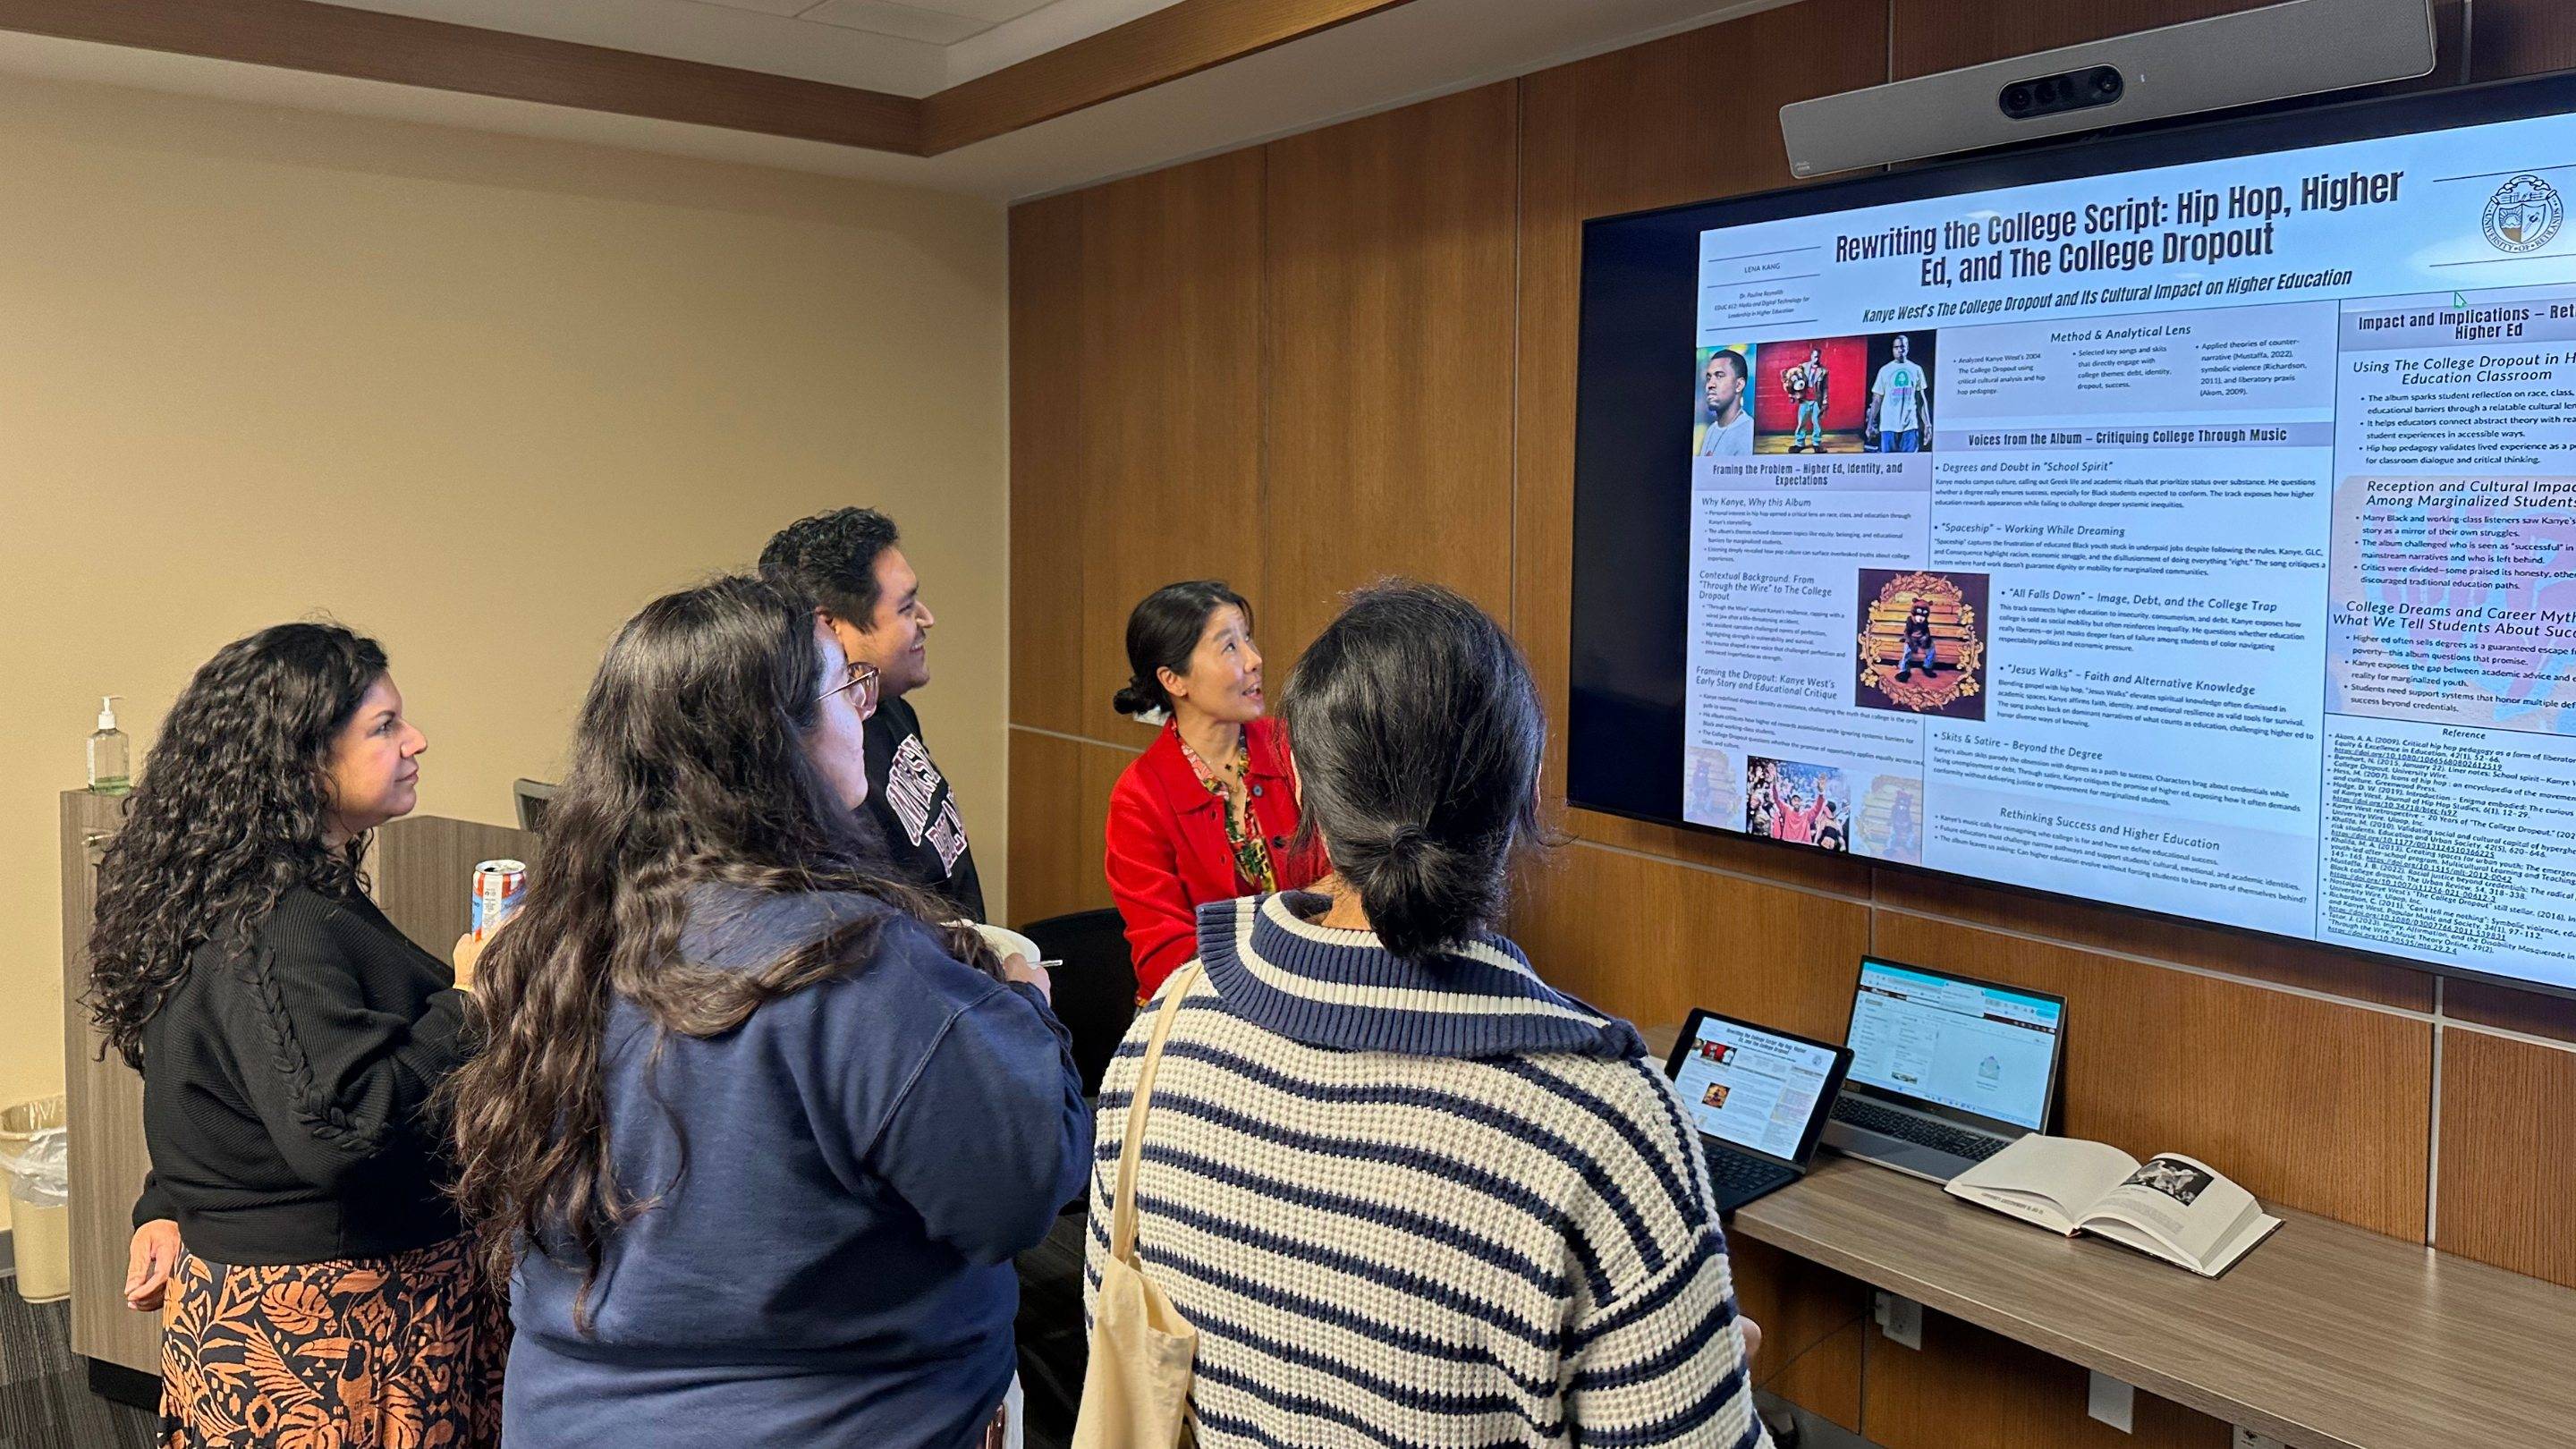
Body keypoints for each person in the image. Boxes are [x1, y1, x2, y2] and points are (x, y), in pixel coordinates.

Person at [1088, 580, 1769, 1448]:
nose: (1249, 660)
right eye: (1228, 645)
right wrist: (1699, 1384)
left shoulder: (1154, 1056)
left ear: (1307, 786)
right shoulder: (1608, 1126)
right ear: (1520, 794)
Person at [447, 575, 1089, 1449]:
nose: (866, 712)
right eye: (845, 687)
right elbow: (1013, 1192)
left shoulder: (544, 951)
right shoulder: (857, 969)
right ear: (768, 744)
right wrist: (1024, 1005)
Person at [86, 622, 503, 1448]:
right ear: (302, 761)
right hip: (340, 1338)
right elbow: (341, 1132)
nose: (416, 740)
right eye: (384, 727)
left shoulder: (228, 887)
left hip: (272, 1318)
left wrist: (169, 1202)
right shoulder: (279, 923)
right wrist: (472, 1001)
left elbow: (231, 1081)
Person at [1104, 580, 1326, 999]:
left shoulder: (1295, 749)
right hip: (1200, 1007)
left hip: (1311, 986)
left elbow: (1348, 881)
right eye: (1229, 647)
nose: (1254, 660)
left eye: (1248, 639)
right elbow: (1163, 957)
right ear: (1174, 680)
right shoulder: (1139, 797)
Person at [761, 508, 984, 920]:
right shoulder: (818, 765)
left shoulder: (892, 706)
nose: (927, 619)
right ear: (830, 626)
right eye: (905, 607)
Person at [1866, 334, 1931, 453]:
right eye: (1896, 347)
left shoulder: (1916, 369)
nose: (1900, 350)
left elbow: (1921, 400)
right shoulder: (1885, 370)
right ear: (1893, 349)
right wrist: (1870, 424)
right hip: (1888, 427)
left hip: (1910, 427)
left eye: (1902, 347)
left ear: (1907, 348)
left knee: (1910, 466)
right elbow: (1877, 399)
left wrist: (1927, 425)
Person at [1698, 349, 1754, 457]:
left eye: (1719, 376)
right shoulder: (1711, 430)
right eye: (1709, 378)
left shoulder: (1749, 431)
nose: (1710, 384)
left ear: (1739, 385)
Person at [1786, 345, 1830, 453]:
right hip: (1804, 400)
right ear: (1811, 356)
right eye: (1814, 357)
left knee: (1816, 422)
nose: (1816, 359)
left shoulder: (1824, 371)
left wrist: (1825, 401)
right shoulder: (1803, 367)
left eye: (1818, 357)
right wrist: (1792, 394)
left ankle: (1816, 443)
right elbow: (1793, 380)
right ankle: (1799, 443)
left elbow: (1825, 388)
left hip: (1816, 400)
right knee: (1801, 422)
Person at [1897, 597, 1943, 680]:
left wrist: (1926, 640)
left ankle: (1927, 666)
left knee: (1931, 648)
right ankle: (1904, 671)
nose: (1921, 618)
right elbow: (1907, 633)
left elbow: (1927, 632)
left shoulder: (1925, 622)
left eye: (1924, 615)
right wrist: (1911, 642)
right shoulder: (1910, 621)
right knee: (1907, 651)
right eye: (1918, 614)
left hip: (1922, 638)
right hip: (1911, 638)